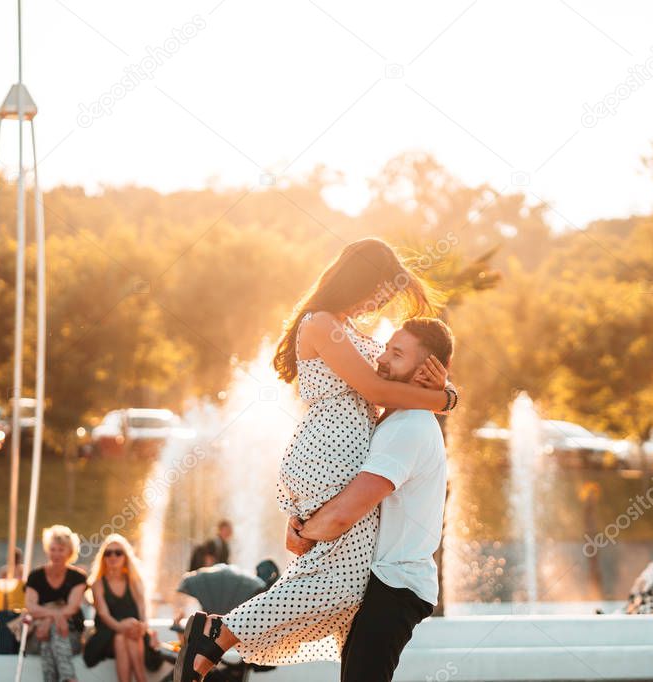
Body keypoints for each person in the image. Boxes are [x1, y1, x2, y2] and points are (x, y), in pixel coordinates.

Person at [173, 239, 456, 682]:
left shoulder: (347, 328)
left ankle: (218, 640)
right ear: (357, 278)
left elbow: (383, 398)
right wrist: (443, 398)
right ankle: (219, 636)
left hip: (333, 461)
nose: (377, 302)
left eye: (385, 297)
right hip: (327, 457)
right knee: (343, 585)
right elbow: (378, 391)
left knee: (336, 584)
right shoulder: (322, 323)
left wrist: (442, 389)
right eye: (377, 291)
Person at [289, 318, 454, 682]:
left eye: (397, 354)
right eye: (386, 347)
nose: (381, 359)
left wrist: (303, 532)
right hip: (383, 581)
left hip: (394, 585)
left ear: (426, 371)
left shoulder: (408, 427)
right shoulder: (388, 421)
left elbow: (345, 513)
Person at [83, 534, 158, 681]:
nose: (113, 556)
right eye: (108, 553)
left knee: (123, 636)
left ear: (125, 557)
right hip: (105, 637)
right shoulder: (97, 584)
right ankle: (141, 679)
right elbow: (104, 615)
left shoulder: (134, 581)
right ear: (103, 557)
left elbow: (143, 611)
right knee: (120, 635)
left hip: (134, 634)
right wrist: (123, 626)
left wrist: (141, 626)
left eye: (118, 552)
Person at [24, 525, 87, 682]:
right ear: (47, 550)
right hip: (38, 634)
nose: (56, 554)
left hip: (70, 634)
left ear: (69, 551)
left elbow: (72, 608)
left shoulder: (78, 577)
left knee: (51, 640)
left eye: (61, 549)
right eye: (53, 549)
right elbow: (30, 607)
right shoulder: (35, 576)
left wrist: (47, 619)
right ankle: (70, 679)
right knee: (50, 635)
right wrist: (56, 616)